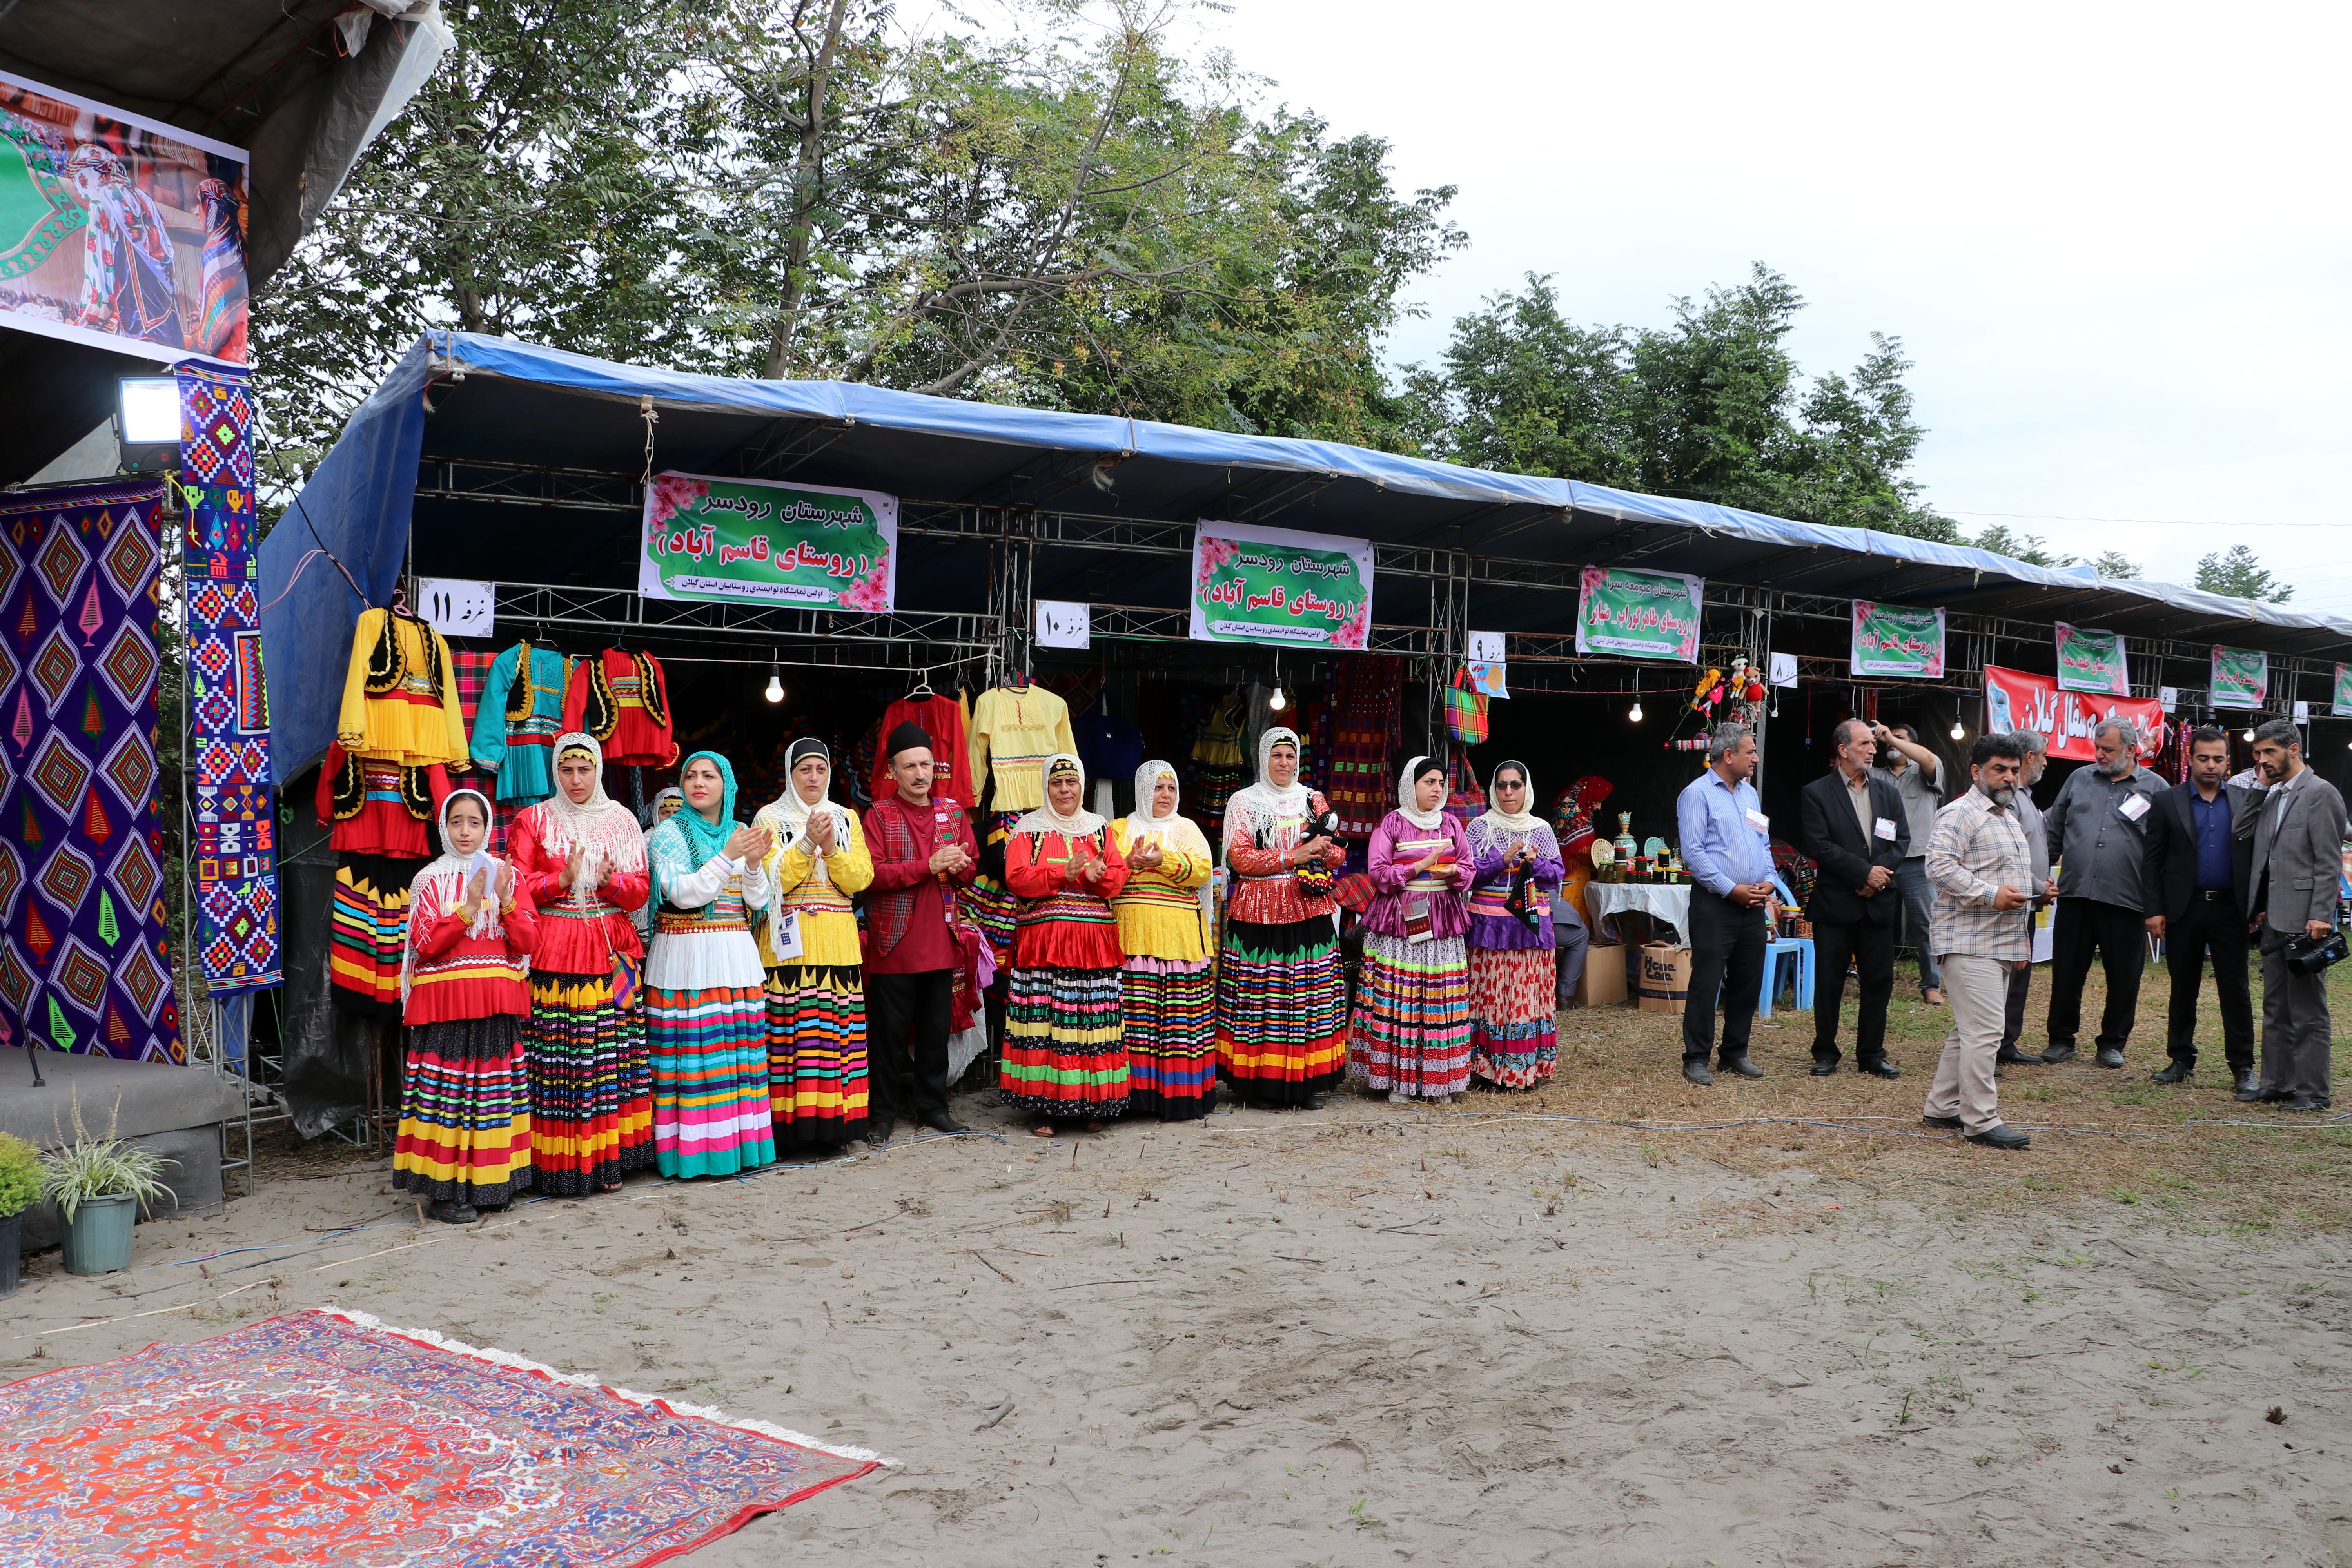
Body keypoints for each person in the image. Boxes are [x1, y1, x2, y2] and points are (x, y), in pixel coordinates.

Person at [508, 734, 655, 1196]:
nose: (575, 779)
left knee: (610, 1056)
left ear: (598, 771)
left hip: (613, 946)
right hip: (556, 947)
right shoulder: (533, 819)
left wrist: (612, 883)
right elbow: (517, 886)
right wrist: (562, 880)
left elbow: (643, 891)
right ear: (555, 771)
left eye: (584, 769)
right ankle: (559, 1164)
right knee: (562, 1058)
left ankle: (611, 1161)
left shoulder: (624, 820)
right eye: (567, 770)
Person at [393, 789, 536, 1224]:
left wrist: (506, 899)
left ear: (488, 826)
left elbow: (530, 942)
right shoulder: (429, 880)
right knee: (448, 1102)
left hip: (495, 1004)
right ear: (444, 827)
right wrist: (470, 907)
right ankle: (445, 1194)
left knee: (491, 1101)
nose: (466, 831)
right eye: (457, 821)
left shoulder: (506, 875)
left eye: (475, 822)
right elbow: (423, 945)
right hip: (445, 1008)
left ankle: (491, 1187)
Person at [642, 751, 777, 1177]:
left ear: (727, 783)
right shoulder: (667, 833)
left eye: (710, 775)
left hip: (734, 955)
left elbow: (756, 901)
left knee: (738, 1059)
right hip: (686, 958)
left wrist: (753, 863)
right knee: (692, 1059)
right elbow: (682, 893)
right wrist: (729, 855)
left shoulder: (740, 831)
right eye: (691, 776)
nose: (699, 783)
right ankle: (694, 1156)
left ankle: (738, 1152)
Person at [1215, 728, 1349, 1109]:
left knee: (1305, 998)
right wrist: (1294, 856)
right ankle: (1260, 1084)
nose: (1285, 763)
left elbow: (1339, 855)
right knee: (1262, 999)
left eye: (1291, 756)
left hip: (1307, 908)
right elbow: (1239, 858)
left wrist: (1324, 851)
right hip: (1259, 911)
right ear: (1263, 759)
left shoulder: (1312, 799)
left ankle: (1303, 1083)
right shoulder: (1245, 801)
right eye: (1277, 755)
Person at [752, 738, 875, 1152]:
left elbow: (860, 879)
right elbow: (773, 881)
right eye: (805, 769)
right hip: (790, 944)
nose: (814, 777)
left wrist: (830, 848)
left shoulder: (846, 819)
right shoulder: (769, 818)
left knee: (834, 1037)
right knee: (793, 1036)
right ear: (790, 773)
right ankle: (789, 1132)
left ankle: (833, 1132)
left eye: (821, 770)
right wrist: (805, 843)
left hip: (837, 941)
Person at [1001, 753, 1132, 1134]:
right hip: (1046, 943)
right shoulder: (1029, 828)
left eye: (1071, 782)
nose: (1064, 790)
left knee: (1089, 1022)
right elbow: (1018, 877)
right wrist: (1064, 872)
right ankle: (1047, 1109)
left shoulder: (1099, 828)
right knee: (1048, 1022)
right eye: (1057, 783)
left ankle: (1095, 1104)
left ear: (1082, 786)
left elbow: (1118, 876)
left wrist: (1095, 876)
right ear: (1046, 786)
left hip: (1093, 942)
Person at [863, 721, 982, 1139]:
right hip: (894, 943)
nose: (920, 774)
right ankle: (882, 1115)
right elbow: (871, 876)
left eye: (926, 764)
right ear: (892, 772)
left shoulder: (952, 812)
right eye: (909, 766)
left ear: (937, 767)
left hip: (942, 940)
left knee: (935, 1032)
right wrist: (926, 867)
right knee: (889, 1035)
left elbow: (972, 873)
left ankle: (933, 1108)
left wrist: (961, 867)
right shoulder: (878, 814)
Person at [1921, 733, 2036, 1149]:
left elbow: (2007, 876)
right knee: (1986, 1032)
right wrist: (1991, 895)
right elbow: (1938, 868)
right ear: (1976, 772)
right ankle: (1981, 1120)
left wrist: (2037, 892)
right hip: (1968, 940)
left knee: (1969, 1029)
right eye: (1999, 770)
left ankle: (1942, 1105)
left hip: (2000, 942)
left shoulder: (2007, 815)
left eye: (2013, 770)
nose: (2009, 777)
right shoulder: (1959, 813)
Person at [2041, 719, 2166, 1067]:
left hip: (2127, 899)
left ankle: (2113, 1043)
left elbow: (2164, 849)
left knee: (2124, 978)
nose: (2099, 755)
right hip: (2076, 894)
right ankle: (2061, 1038)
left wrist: (2157, 902)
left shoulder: (2156, 788)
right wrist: (2042, 875)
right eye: (2097, 748)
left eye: (2108, 750)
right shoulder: (2078, 779)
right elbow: (2055, 829)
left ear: (2131, 750)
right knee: (2067, 971)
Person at [2234, 718, 2345, 1111]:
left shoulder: (2321, 793)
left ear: (2294, 750)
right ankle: (2277, 1082)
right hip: (2273, 919)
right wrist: (2259, 788)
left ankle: (2314, 1091)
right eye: (2257, 754)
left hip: (2305, 919)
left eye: (2269, 753)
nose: (2261, 761)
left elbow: (2328, 861)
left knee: (2308, 1008)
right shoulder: (2271, 794)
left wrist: (2321, 915)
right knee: (2275, 1004)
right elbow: (2241, 830)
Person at [1352, 755, 1477, 1103]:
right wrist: (1417, 867)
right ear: (1411, 785)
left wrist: (1454, 874)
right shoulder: (1392, 824)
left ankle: (1439, 1081)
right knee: (1401, 997)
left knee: (1438, 997)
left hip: (1442, 919)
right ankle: (1397, 1081)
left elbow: (1468, 868)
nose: (1437, 789)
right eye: (1429, 782)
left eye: (1440, 783)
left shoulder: (1451, 825)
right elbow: (1378, 873)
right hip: (1400, 920)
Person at [2142, 726, 2255, 1093]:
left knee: (2235, 989)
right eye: (2203, 758)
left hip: (2230, 910)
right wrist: (2154, 910)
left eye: (2218, 759)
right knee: (2183, 986)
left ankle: (2243, 1066)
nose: (2211, 766)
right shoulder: (2167, 801)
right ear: (2190, 759)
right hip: (2183, 909)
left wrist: (2260, 905)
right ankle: (2180, 1059)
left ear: (2228, 762)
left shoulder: (2246, 800)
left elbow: (2259, 858)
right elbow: (2153, 860)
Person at [1796, 719, 1909, 1077]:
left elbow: (1900, 841)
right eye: (1865, 744)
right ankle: (1826, 1052)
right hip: (1836, 903)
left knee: (1878, 981)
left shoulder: (1888, 793)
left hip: (1878, 901)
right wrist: (1863, 874)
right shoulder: (1816, 792)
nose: (1873, 750)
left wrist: (1877, 877)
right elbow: (1820, 846)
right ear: (1843, 750)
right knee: (1830, 980)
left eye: (1873, 744)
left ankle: (1872, 1055)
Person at [1110, 761, 1219, 1121]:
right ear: (1142, 791)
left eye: (1171, 789)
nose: (1165, 795)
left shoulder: (1186, 828)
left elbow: (1203, 868)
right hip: (1131, 937)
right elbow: (1106, 873)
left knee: (1176, 1019)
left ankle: (1176, 1098)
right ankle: (1132, 1098)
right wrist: (1129, 861)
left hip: (1177, 939)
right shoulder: (1119, 828)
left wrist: (1163, 860)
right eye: (1158, 788)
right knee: (1134, 1018)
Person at [1675, 724, 1775, 1085]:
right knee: (1707, 982)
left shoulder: (1750, 795)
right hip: (1716, 903)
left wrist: (1770, 881)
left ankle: (1735, 1053)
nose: (1756, 758)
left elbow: (1763, 844)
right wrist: (1730, 888)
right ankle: (1696, 1058)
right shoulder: (1696, 794)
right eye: (1750, 751)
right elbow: (1694, 853)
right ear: (1728, 755)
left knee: (1748, 981)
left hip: (1753, 902)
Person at [1465, 760, 1565, 1088]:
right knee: (1489, 995)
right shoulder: (1480, 827)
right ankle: (1485, 1069)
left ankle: (1525, 1067)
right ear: (1494, 790)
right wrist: (1502, 860)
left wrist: (1536, 864)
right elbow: (1469, 874)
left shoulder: (1541, 830)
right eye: (1502, 785)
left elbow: (1556, 877)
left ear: (1527, 788)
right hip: (1489, 925)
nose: (1509, 792)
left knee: (1525, 994)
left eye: (1516, 785)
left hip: (1529, 926)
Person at [1996, 731, 2060, 1068]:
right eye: (2045, 756)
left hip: (2027, 899)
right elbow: (2009, 857)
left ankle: (2006, 1042)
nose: (2048, 763)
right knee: (2004, 977)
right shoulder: (2009, 799)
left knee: (2020, 975)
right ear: (2030, 757)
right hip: (2011, 901)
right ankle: (1992, 1045)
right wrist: (2039, 885)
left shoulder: (2026, 797)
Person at [1873, 720, 1946, 1005]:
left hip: (1918, 860)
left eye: (1900, 739)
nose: (1891, 742)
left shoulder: (1925, 768)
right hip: (1881, 861)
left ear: (1912, 743)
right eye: (1888, 739)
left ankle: (1932, 985)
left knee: (1926, 925)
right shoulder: (1874, 773)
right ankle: (1877, 980)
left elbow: (1928, 758)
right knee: (1876, 923)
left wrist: (1891, 737)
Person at [632, 786, 684, 946]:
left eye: (677, 813)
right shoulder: (645, 841)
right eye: (665, 813)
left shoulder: (695, 840)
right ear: (656, 814)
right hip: (652, 915)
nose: (671, 818)